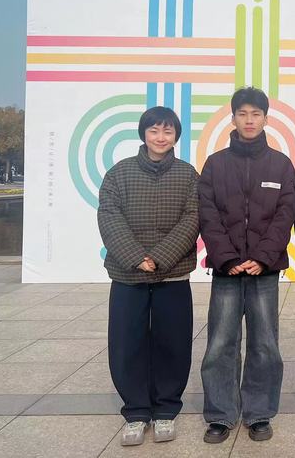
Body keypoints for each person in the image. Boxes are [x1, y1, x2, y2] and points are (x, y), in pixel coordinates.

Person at [198, 87, 295, 444]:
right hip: (226, 270)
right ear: (233, 118)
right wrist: (227, 258)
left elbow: (285, 215)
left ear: (266, 119)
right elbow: (207, 214)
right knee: (220, 343)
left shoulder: (280, 165)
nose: (249, 120)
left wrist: (262, 257)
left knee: (264, 344)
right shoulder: (216, 164)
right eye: (243, 114)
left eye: (256, 114)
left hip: (264, 271)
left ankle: (258, 413)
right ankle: (221, 414)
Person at [97, 106, 199, 446]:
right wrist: (137, 258)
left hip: (172, 274)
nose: (160, 137)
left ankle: (166, 409)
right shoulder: (119, 174)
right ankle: (136, 411)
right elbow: (109, 217)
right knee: (127, 343)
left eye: (167, 131)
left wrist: (159, 257)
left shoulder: (188, 175)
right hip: (128, 274)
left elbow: (192, 218)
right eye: (154, 130)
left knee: (173, 342)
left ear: (176, 136)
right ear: (143, 133)